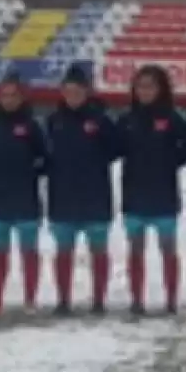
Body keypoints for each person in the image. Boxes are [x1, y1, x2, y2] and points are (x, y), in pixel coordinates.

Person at [45, 65, 120, 315]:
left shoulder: (101, 120)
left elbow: (114, 150)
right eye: (68, 91)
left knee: (98, 251)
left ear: (86, 92)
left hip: (95, 197)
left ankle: (99, 300)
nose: (72, 96)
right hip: (62, 197)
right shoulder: (53, 121)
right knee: (63, 252)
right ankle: (63, 300)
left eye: (77, 91)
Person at [118, 65, 186, 316]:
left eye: (150, 86)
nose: (144, 91)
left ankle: (171, 300)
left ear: (161, 89)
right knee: (135, 250)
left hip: (164, 196)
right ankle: (137, 299)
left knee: (168, 249)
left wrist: (170, 162)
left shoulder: (173, 118)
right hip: (134, 194)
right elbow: (114, 148)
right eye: (140, 86)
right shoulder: (127, 120)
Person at [0, 75, 48, 314]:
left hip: (26, 200)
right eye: (4, 95)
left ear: (22, 98)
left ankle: (30, 299)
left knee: (29, 252)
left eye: (13, 95)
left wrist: (30, 172)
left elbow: (45, 157)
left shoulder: (33, 126)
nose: (8, 100)